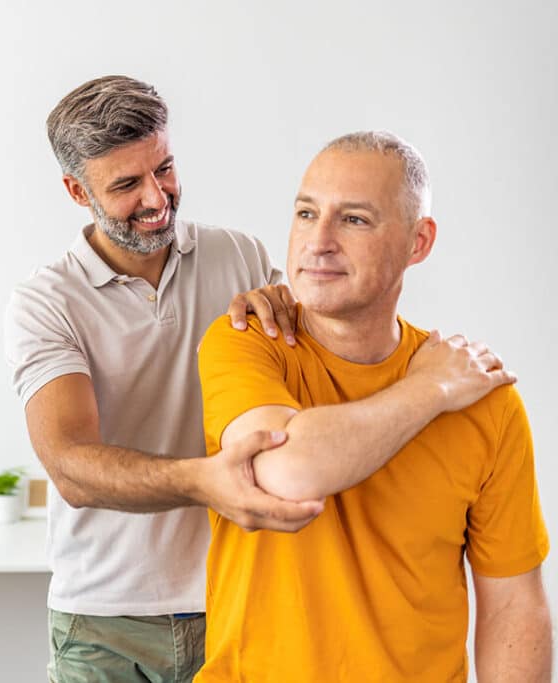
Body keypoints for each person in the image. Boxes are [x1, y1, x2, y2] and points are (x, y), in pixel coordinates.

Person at [196, 131, 551, 682]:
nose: (318, 241)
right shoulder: (244, 341)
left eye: (354, 220)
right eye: (307, 213)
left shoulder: (486, 402)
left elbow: (513, 605)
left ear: (418, 242)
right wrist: (428, 390)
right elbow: (286, 469)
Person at [4, 75, 322, 683]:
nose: (157, 198)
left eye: (165, 169)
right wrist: (208, 482)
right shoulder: (46, 302)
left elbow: (312, 372)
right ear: (76, 190)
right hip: (103, 623)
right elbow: (71, 466)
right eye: (126, 185)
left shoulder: (241, 258)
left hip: (237, 601)